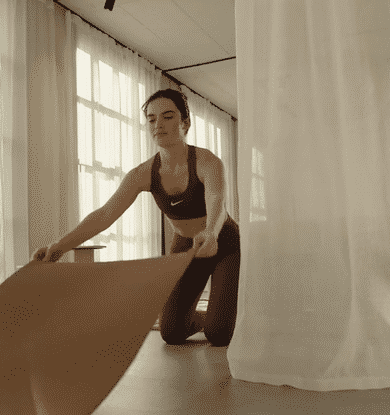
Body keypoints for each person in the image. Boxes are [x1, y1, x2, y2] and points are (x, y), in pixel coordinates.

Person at [32, 88, 240, 347]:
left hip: (223, 242)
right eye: (151, 119)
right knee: (171, 333)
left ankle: (223, 321)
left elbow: (217, 200)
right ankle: (206, 319)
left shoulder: (207, 161)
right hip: (186, 245)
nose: (158, 125)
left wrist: (210, 232)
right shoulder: (142, 173)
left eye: (167, 116)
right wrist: (59, 247)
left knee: (219, 334)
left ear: (185, 123)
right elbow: (105, 214)